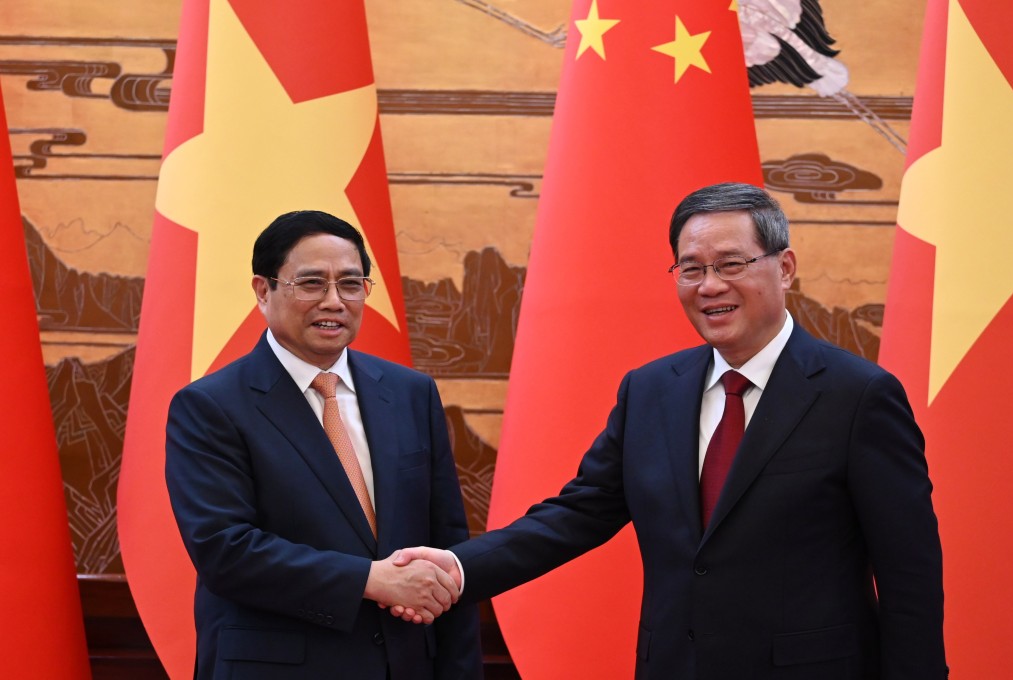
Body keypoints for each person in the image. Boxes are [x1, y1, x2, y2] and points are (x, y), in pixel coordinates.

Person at [394, 183, 947, 679]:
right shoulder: (652, 390)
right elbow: (580, 513)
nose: (709, 286)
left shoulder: (858, 395)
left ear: (784, 268)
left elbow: (909, 574)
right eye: (691, 268)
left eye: (731, 264)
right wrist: (461, 567)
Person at [165, 210, 482, 680]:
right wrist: (372, 581)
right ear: (263, 290)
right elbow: (225, 551)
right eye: (311, 283)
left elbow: (447, 546)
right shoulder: (210, 406)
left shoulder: (411, 393)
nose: (334, 301)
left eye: (351, 285)